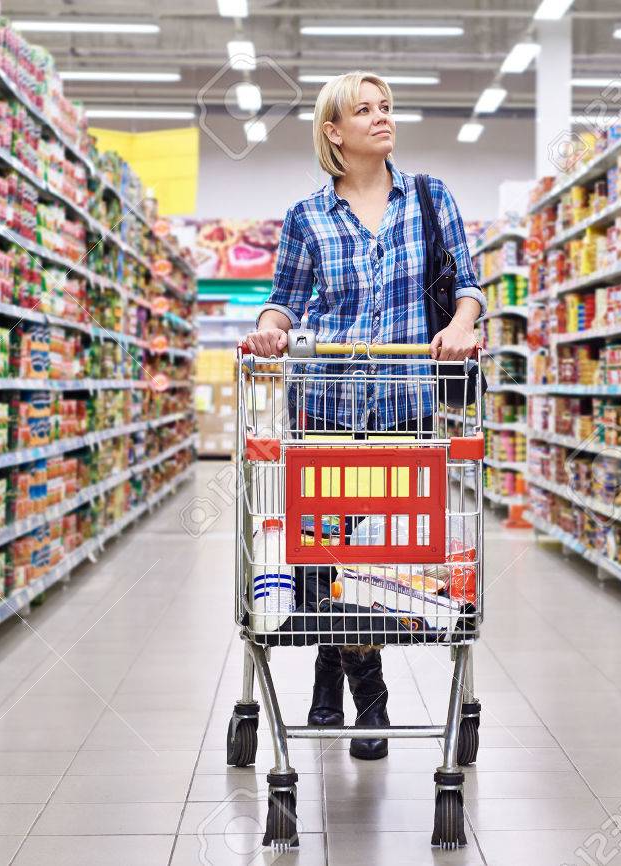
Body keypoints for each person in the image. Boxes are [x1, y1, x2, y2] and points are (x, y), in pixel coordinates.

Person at [241, 71, 483, 760]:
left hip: (405, 415)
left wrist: (464, 325)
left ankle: (335, 670)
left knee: (378, 563)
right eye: (364, 110)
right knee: (324, 561)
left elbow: (468, 287)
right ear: (333, 131)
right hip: (322, 411)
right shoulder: (306, 216)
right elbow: (284, 301)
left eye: (387, 107)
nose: (382, 118)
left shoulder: (432, 199)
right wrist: (267, 330)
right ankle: (368, 693)